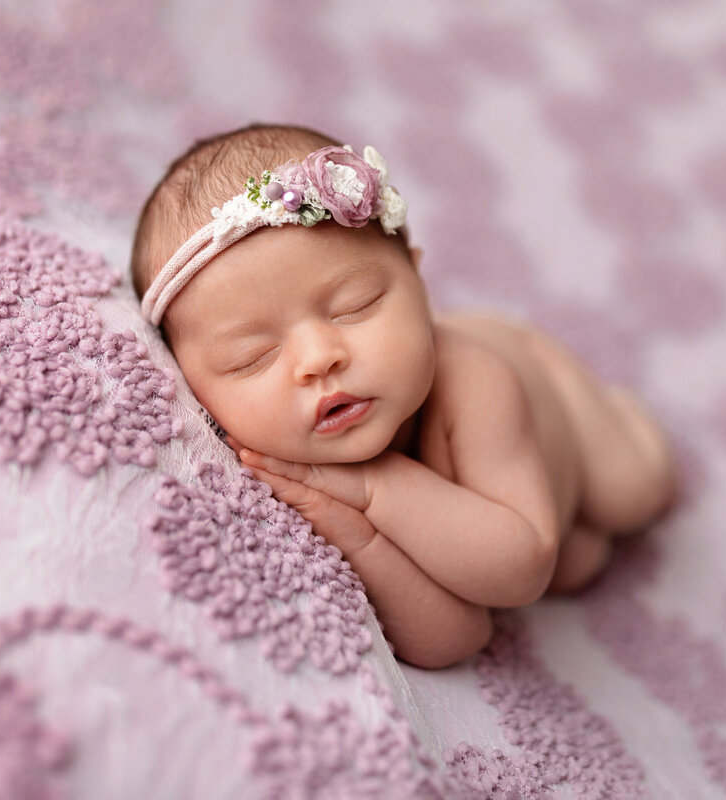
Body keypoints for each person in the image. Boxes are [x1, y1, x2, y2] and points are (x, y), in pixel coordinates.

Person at [131, 124, 676, 669]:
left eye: (355, 305)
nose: (319, 357)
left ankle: (620, 407)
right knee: (579, 562)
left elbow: (523, 566)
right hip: (533, 508)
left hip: (545, 394)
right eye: (251, 357)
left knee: (631, 490)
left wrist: (372, 489)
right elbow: (454, 638)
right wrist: (358, 536)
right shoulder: (289, 467)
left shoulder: (475, 381)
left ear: (418, 280)